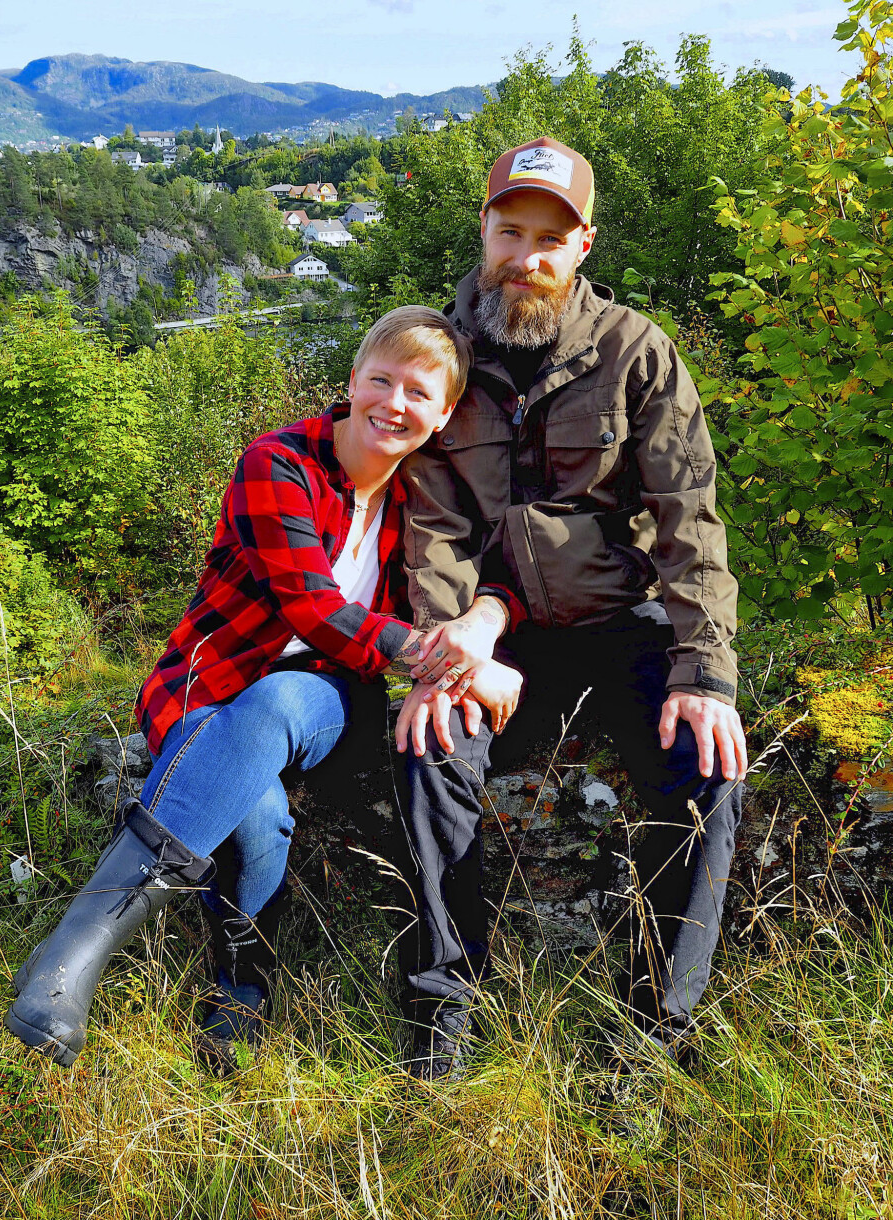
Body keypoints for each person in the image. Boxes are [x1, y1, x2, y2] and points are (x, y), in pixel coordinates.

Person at [4, 305, 522, 1070]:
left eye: (419, 393)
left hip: (319, 695)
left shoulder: (422, 504)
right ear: (353, 381)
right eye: (381, 381)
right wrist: (445, 657)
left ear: (444, 414)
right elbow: (309, 606)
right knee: (259, 811)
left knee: (279, 703)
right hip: (207, 684)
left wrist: (476, 633)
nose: (396, 404)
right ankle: (224, 991)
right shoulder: (278, 461)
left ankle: (68, 950)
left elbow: (452, 588)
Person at [391, 138, 748, 1078]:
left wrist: (704, 672)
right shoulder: (441, 359)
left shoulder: (636, 351)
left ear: (583, 243)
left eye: (551, 238)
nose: (528, 257)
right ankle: (444, 1022)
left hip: (613, 625)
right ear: (484, 230)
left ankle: (650, 1038)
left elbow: (689, 519)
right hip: (489, 636)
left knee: (709, 769)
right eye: (512, 232)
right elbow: (433, 531)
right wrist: (443, 658)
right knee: (430, 747)